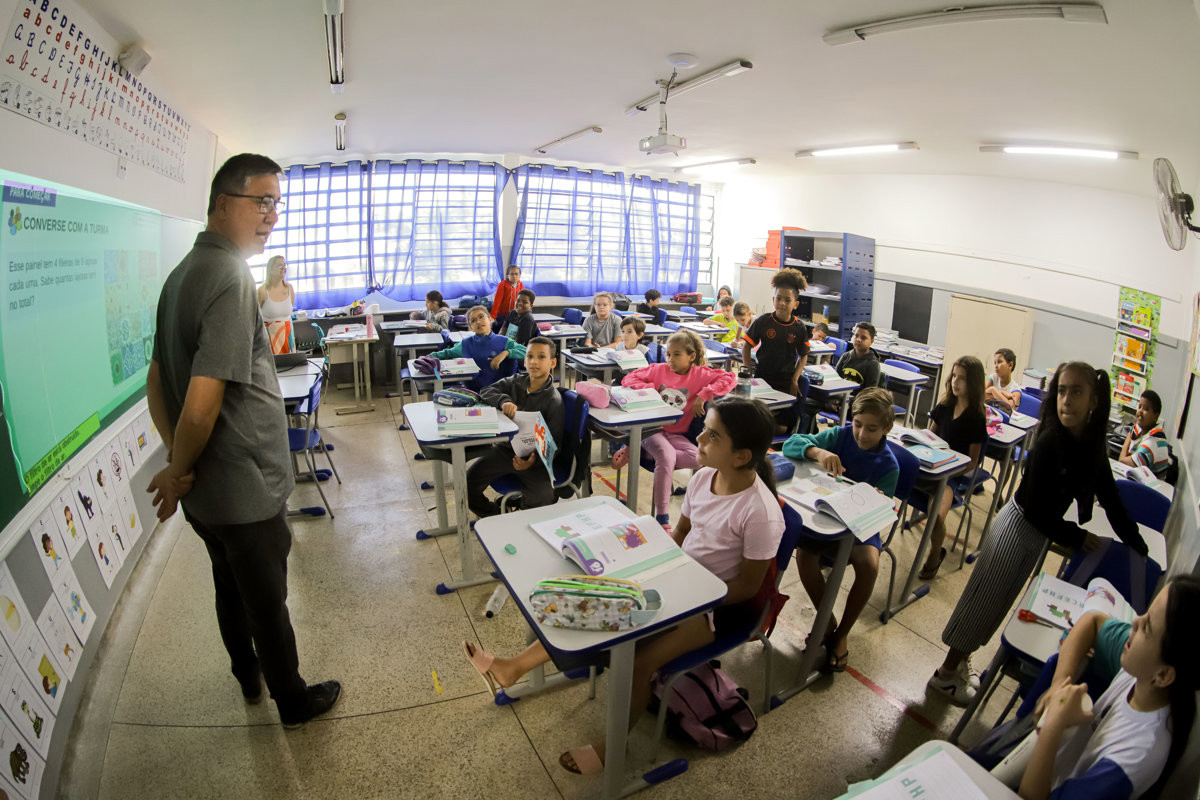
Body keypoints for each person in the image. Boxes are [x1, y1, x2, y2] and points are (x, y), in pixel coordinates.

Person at [463, 397, 784, 775]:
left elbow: (748, 586)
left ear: (742, 456)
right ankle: (513, 667)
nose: (699, 438)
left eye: (713, 436)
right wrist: (653, 562)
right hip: (681, 576)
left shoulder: (760, 511)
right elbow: (680, 533)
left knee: (640, 663)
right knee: (593, 595)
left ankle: (611, 748)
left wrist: (688, 591)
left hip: (714, 606)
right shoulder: (702, 478)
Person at [145, 153, 340, 728]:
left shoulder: (180, 274)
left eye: (277, 204)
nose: (271, 216)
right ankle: (292, 702)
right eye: (262, 201)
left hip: (208, 491)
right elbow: (201, 404)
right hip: (242, 486)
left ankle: (246, 675)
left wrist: (179, 466)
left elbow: (157, 379)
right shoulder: (230, 276)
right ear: (223, 202)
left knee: (228, 587)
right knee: (266, 603)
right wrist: (181, 467)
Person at [928, 362, 1148, 704]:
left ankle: (958, 664)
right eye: (1062, 391)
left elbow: (1112, 499)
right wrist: (1075, 536)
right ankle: (945, 675)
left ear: (1093, 401)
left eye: (1076, 392)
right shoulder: (1050, 441)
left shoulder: (1090, 446)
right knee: (981, 604)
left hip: (1035, 533)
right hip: (1017, 527)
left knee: (994, 607)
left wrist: (1138, 545)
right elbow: (1034, 507)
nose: (1066, 400)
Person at [1016, 576, 1200, 800]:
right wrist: (1058, 685)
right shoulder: (1143, 669)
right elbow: (1092, 621)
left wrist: (1054, 722)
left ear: (1163, 675)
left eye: (1147, 626)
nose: (1135, 622)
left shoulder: (1132, 760)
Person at [783, 388, 899, 672]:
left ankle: (842, 633)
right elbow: (791, 445)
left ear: (887, 427)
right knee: (805, 556)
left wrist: (873, 499)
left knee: (870, 565)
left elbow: (880, 514)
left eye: (872, 429)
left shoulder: (889, 465)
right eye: (858, 424)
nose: (861, 434)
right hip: (823, 518)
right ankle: (827, 621)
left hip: (859, 528)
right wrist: (818, 451)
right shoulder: (838, 436)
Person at [610, 330, 737, 531]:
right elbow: (629, 378)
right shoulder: (658, 370)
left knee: (700, 458)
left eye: (677, 354)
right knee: (667, 455)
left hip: (676, 434)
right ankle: (663, 517)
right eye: (668, 354)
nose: (670, 359)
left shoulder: (700, 375)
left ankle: (636, 449)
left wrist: (705, 394)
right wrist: (650, 388)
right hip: (651, 429)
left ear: (692, 356)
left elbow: (729, 378)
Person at [465, 338, 563, 518]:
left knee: (543, 498)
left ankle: (521, 507)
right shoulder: (516, 381)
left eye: (541, 357)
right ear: (524, 361)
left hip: (534, 461)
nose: (534, 362)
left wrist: (531, 462)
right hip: (505, 451)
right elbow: (486, 391)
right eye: (530, 356)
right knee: (466, 484)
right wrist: (504, 401)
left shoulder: (554, 401)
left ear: (553, 362)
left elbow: (553, 445)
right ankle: (495, 515)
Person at [919, 355, 989, 580]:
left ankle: (935, 552)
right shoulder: (946, 404)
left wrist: (948, 472)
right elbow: (929, 435)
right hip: (930, 464)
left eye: (963, 379)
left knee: (936, 516)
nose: (956, 382)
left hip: (951, 474)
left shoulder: (976, 417)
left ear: (974, 383)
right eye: (955, 376)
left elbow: (973, 461)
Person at [742, 268, 810, 432]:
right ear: (773, 300)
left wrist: (795, 379)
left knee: (779, 428)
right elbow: (746, 346)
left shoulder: (799, 327)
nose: (782, 303)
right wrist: (748, 370)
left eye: (787, 300)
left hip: (785, 383)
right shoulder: (763, 321)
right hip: (762, 378)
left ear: (796, 304)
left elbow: (803, 356)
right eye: (778, 298)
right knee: (750, 417)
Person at [430, 305, 527, 390]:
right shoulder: (465, 344)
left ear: (490, 319)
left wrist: (506, 353)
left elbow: (528, 352)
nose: (478, 322)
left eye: (481, 317)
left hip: (503, 393)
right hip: (474, 394)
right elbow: (446, 353)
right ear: (471, 327)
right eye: (473, 320)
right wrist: (427, 357)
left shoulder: (505, 342)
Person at [1118, 389, 1171, 477]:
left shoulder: (1152, 442)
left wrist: (1127, 441)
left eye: (1146, 409)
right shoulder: (1143, 428)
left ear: (1155, 416)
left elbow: (1122, 462)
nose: (1140, 412)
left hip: (1147, 488)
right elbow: (1132, 432)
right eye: (1139, 407)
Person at [257, 255, 294, 354]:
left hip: (287, 339)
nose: (283, 268)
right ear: (271, 270)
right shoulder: (262, 291)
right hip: (268, 342)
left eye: (284, 265)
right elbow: (254, 318)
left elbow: (289, 316)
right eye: (279, 266)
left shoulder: (290, 288)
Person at [835, 322, 882, 388]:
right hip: (841, 394)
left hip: (858, 397)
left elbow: (869, 392)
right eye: (856, 336)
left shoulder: (873, 364)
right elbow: (835, 379)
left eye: (863, 338)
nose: (858, 340)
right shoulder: (845, 356)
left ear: (871, 341)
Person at [985, 348, 1022, 412]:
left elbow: (1008, 407)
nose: (996, 366)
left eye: (999, 362)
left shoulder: (1016, 390)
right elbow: (981, 396)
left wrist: (993, 391)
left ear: (1010, 365)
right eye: (995, 363)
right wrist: (1001, 392)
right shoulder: (993, 377)